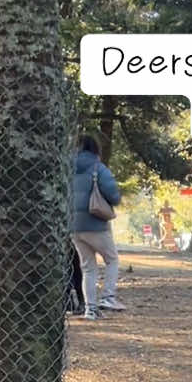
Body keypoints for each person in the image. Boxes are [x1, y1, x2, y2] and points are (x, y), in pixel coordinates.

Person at [71, 135, 124, 319]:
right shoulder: (98, 168)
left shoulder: (68, 168)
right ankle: (108, 297)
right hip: (95, 223)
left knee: (88, 267)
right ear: (96, 149)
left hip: (74, 226)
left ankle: (90, 309)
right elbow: (113, 194)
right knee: (112, 259)